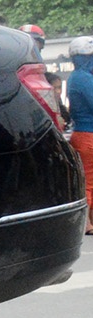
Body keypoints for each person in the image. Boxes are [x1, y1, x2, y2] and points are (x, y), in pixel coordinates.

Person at [68, 36, 93, 234]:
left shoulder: (78, 77)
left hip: (84, 134)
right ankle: (85, 224)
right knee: (89, 182)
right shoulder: (83, 78)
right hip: (87, 135)